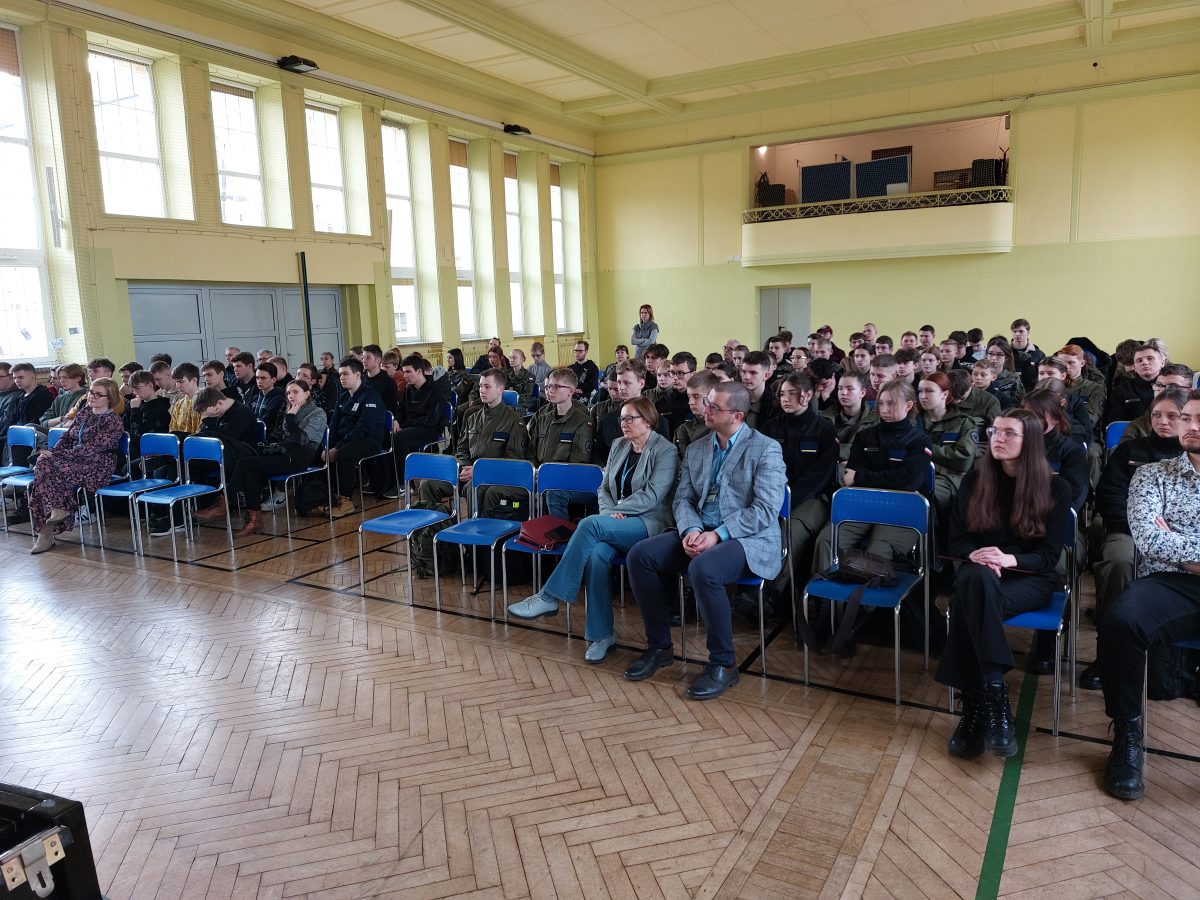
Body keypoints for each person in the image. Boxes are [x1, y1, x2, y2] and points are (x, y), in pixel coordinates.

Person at [623, 382, 787, 700]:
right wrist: (690, 530)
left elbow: (765, 510)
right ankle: (659, 647)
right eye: (706, 403)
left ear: (737, 416)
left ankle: (724, 664)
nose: (705, 410)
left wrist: (718, 534)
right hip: (699, 531)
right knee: (640, 556)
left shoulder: (765, 448)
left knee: (704, 569)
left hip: (746, 538)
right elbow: (683, 498)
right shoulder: (698, 447)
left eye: (713, 407)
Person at [936, 408, 1073, 758]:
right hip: (980, 573)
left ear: (1031, 441)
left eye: (1009, 433)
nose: (998, 438)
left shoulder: (1056, 487)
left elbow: (1048, 556)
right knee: (975, 580)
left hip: (1030, 578)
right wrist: (978, 556)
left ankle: (974, 709)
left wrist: (1009, 559)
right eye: (994, 431)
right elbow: (957, 540)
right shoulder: (974, 481)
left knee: (970, 598)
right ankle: (994, 699)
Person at [508, 395, 678, 662]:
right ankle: (601, 635)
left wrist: (618, 511)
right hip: (614, 521)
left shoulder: (665, 450)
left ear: (648, 421)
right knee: (597, 555)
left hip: (649, 523)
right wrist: (610, 513)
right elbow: (604, 487)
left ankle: (549, 596)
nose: (623, 423)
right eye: (622, 418)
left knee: (589, 524)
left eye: (630, 418)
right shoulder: (619, 445)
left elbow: (652, 496)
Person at [1095, 390, 1200, 800]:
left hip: (1178, 568)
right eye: (1187, 418)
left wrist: (1181, 544)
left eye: (1199, 419)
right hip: (1170, 582)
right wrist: (1181, 553)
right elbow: (1149, 539)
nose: (1191, 426)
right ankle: (1127, 733)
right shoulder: (1152, 475)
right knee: (1121, 621)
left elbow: (1167, 541)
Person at [1082, 387, 1187, 691]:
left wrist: (1172, 534)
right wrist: (1143, 529)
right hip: (1130, 531)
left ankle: (1177, 661)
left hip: (1181, 538)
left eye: (1172, 416)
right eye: (1157, 415)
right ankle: (1108, 653)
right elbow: (1110, 497)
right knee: (1118, 562)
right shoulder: (1130, 452)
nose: (1163, 421)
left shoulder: (1192, 455)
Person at [812, 379, 933, 574]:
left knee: (877, 551)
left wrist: (861, 477)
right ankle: (826, 590)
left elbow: (908, 482)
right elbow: (849, 478)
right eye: (881, 403)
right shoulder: (865, 437)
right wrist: (877, 478)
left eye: (891, 403)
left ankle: (863, 595)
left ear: (908, 405)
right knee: (827, 539)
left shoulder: (919, 441)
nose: (884, 409)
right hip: (864, 505)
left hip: (901, 509)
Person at [28, 377, 125, 554]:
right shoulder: (85, 412)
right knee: (43, 464)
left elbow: (92, 450)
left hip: (97, 464)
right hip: (73, 460)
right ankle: (56, 512)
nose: (92, 396)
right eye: (91, 392)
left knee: (44, 468)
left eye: (98, 394)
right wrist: (54, 451)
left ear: (109, 398)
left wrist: (56, 455)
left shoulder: (113, 421)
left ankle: (47, 531)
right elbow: (67, 437)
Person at [761, 372, 838, 586]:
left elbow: (820, 475)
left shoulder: (824, 428)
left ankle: (774, 591)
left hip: (811, 498)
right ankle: (748, 589)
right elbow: (760, 466)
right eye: (782, 394)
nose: (785, 399)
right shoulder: (770, 427)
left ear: (808, 395)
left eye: (792, 393)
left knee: (790, 531)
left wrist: (789, 498)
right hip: (772, 495)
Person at [226, 378, 328, 536]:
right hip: (285, 454)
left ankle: (225, 502)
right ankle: (254, 520)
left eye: (295, 392)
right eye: (288, 393)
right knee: (250, 473)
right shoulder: (290, 409)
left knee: (243, 463)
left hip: (299, 459)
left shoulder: (317, 413)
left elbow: (301, 440)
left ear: (307, 394)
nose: (291, 396)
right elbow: (284, 437)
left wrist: (290, 417)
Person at [420, 368, 526, 508]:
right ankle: (438, 522)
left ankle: (474, 523)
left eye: (487, 386)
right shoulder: (473, 417)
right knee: (427, 484)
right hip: (467, 471)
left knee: (473, 487)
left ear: (500, 389)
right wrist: (464, 467)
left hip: (492, 475)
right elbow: (461, 450)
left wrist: (478, 471)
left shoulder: (513, 421)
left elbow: (513, 462)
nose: (482, 390)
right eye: (481, 386)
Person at [321, 357, 388, 518]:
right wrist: (328, 446)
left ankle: (346, 500)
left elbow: (363, 429)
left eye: (345, 374)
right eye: (340, 374)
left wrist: (338, 447)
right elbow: (334, 425)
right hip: (346, 440)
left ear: (357, 375)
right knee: (320, 451)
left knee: (344, 454)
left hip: (369, 441)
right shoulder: (344, 397)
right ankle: (326, 495)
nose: (341, 378)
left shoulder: (370, 397)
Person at [916, 372, 982, 526]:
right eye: (920, 391)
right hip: (915, 473)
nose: (923, 396)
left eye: (929, 391)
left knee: (925, 491)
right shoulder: (913, 421)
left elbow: (963, 460)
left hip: (950, 479)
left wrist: (924, 448)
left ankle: (934, 539)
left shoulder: (964, 423)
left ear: (945, 394)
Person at [393, 354, 451, 484]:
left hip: (430, 429)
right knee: (390, 434)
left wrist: (405, 426)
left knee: (399, 438)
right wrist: (396, 420)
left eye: (408, 372)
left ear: (419, 371)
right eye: (404, 372)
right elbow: (401, 410)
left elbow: (431, 420)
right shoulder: (409, 389)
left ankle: (405, 482)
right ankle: (394, 479)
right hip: (412, 427)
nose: (405, 375)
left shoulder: (435, 390)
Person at [1119, 363, 1193, 444]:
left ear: (1190, 391)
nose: (1163, 391)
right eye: (1159, 385)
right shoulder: (1137, 427)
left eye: (1172, 387)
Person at [821, 371, 875, 467]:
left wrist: (833, 447)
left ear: (862, 393)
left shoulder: (875, 421)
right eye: (840, 388)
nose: (843, 393)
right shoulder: (824, 417)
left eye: (850, 389)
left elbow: (870, 453)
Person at [1104, 342, 1165, 427]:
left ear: (1162, 362)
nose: (1144, 363)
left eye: (1150, 358)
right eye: (1139, 360)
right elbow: (1115, 425)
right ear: (1134, 367)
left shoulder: (1174, 387)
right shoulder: (1121, 390)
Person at [124, 370, 171, 459]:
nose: (135, 393)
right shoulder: (136, 404)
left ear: (150, 385)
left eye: (137, 388)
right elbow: (125, 427)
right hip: (135, 451)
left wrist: (135, 411)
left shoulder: (160, 408)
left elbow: (140, 436)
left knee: (128, 466)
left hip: (152, 452)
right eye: (132, 389)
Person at [674, 370, 716, 457]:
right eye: (689, 397)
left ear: (711, 397)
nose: (691, 402)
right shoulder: (683, 429)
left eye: (696, 397)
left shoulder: (722, 429)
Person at [38, 363, 87, 430]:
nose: (61, 381)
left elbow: (78, 423)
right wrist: (60, 419)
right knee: (30, 426)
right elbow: (43, 422)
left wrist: (55, 425)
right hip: (54, 431)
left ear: (78, 378)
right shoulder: (59, 399)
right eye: (60, 377)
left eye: (65, 377)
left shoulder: (86, 397)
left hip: (73, 433)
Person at [739, 350, 777, 429]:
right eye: (744, 372)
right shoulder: (733, 400)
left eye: (753, 373)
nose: (746, 377)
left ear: (766, 376)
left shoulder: (776, 407)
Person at [1009, 318, 1045, 391]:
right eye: (1014, 331)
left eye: (1021, 331)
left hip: (1032, 392)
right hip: (1008, 392)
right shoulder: (1005, 352)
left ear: (1028, 332)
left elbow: (1043, 375)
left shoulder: (1038, 354)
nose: (1017, 334)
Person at [249, 362, 285, 434]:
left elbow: (266, 421)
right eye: (257, 378)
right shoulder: (255, 397)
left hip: (268, 436)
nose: (259, 381)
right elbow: (245, 415)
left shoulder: (278, 399)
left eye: (263, 378)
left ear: (273, 379)